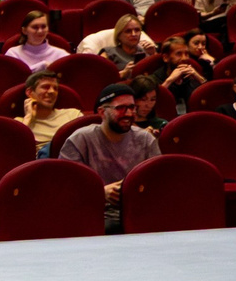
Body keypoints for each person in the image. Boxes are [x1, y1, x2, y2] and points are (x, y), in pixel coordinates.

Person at [59, 82, 162, 230]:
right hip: (95, 213)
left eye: (132, 108)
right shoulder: (80, 139)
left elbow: (157, 183)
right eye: (120, 108)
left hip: (139, 211)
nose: (128, 114)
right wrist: (100, 192)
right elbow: (66, 187)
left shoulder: (145, 139)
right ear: (102, 112)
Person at [19, 69, 83, 154]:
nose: (52, 91)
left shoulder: (73, 115)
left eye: (55, 88)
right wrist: (28, 117)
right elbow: (16, 149)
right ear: (30, 92)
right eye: (46, 87)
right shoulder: (21, 123)